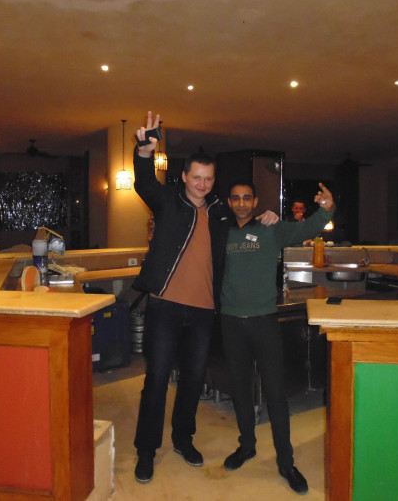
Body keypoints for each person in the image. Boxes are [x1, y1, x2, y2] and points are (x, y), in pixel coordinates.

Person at [131, 111, 278, 484]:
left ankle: (183, 439)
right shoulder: (167, 201)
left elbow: (246, 220)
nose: (202, 184)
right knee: (157, 378)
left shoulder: (221, 213)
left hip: (202, 312)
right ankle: (146, 450)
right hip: (165, 305)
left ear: (214, 181)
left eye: (208, 178)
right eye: (196, 177)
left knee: (193, 379)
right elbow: (144, 182)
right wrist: (145, 152)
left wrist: (268, 218)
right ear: (184, 177)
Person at [220, 180, 335, 494]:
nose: (241, 203)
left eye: (247, 198)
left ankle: (286, 463)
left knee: (275, 394)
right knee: (241, 390)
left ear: (255, 201)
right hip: (231, 322)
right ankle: (247, 446)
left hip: (264, 322)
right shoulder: (221, 232)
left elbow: (306, 228)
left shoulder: (272, 229)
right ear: (229, 202)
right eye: (236, 198)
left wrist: (326, 210)